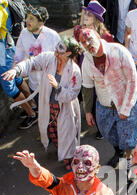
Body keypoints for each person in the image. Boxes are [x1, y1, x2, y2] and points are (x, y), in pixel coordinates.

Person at [2, 37, 82, 170]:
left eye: (60, 52)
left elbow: (72, 94)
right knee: (52, 131)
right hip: (48, 105)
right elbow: (31, 63)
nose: (56, 54)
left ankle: (70, 163)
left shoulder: (75, 71)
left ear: (68, 53)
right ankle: (59, 150)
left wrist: (58, 87)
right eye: (56, 50)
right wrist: (16, 71)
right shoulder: (49, 58)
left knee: (67, 136)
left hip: (65, 108)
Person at [74, 25, 137, 170]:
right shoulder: (87, 61)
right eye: (83, 42)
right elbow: (87, 87)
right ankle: (119, 153)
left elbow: (133, 80)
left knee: (128, 139)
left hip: (126, 102)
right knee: (108, 134)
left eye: (89, 39)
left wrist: (126, 107)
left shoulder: (119, 51)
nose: (88, 44)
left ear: (98, 36)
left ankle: (129, 163)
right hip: (104, 105)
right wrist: (88, 111)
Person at [14, 4, 61, 127]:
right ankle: (46, 130)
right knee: (41, 108)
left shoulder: (53, 36)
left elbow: (62, 57)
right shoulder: (24, 34)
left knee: (54, 110)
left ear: (41, 22)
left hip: (51, 82)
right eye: (27, 17)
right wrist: (16, 69)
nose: (27, 21)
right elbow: (18, 54)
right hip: (34, 82)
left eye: (31, 19)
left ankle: (56, 131)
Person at [0, 0, 37, 130]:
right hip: (8, 47)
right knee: (16, 78)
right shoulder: (5, 3)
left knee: (8, 85)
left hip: (3, 50)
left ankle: (31, 114)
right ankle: (32, 105)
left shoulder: (1, 7)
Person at [80, 1, 113, 140]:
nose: (85, 16)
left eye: (89, 14)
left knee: (99, 100)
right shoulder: (80, 32)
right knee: (88, 96)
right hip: (85, 69)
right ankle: (91, 116)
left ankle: (102, 128)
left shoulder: (106, 37)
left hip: (100, 74)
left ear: (96, 18)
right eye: (85, 13)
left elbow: (111, 58)